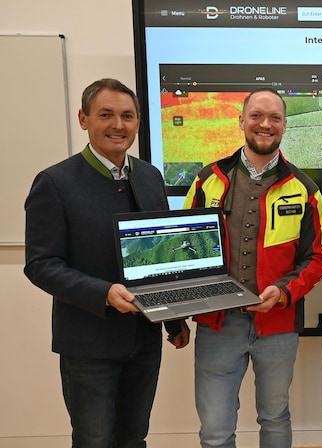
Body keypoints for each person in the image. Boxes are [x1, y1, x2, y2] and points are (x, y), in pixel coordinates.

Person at [24, 78, 191, 447]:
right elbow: (40, 263)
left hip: (144, 339)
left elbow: (162, 253)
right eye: (106, 115)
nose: (118, 125)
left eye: (127, 116)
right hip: (89, 344)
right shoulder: (54, 182)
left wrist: (174, 319)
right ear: (84, 119)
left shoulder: (150, 177)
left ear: (138, 122)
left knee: (134, 438)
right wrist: (103, 292)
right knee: (94, 440)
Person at [183, 87, 322, 448]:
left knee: (275, 417)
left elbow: (318, 258)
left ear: (284, 125)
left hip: (278, 325)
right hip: (218, 325)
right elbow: (183, 248)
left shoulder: (304, 189)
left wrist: (282, 293)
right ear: (241, 121)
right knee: (215, 430)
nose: (265, 124)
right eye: (257, 116)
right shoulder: (206, 180)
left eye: (274, 118)